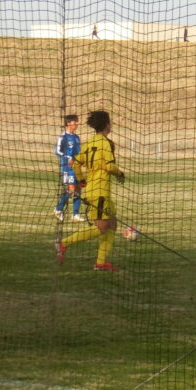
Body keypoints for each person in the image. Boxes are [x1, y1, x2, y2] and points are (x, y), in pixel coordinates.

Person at [55, 110, 125, 271]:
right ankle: (63, 243)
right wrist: (120, 173)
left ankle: (101, 262)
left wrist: (82, 180)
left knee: (112, 224)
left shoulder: (89, 142)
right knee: (101, 227)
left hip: (95, 190)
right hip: (100, 191)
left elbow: (75, 163)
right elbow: (109, 166)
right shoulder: (105, 143)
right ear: (107, 124)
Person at [54, 114, 84, 222]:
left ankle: (75, 215)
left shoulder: (76, 137)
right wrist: (68, 158)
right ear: (68, 123)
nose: (77, 123)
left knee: (78, 189)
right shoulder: (62, 137)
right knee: (71, 189)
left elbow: (78, 153)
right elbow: (57, 151)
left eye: (77, 121)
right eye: (75, 121)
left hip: (76, 168)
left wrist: (82, 160)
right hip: (67, 168)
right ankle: (58, 209)